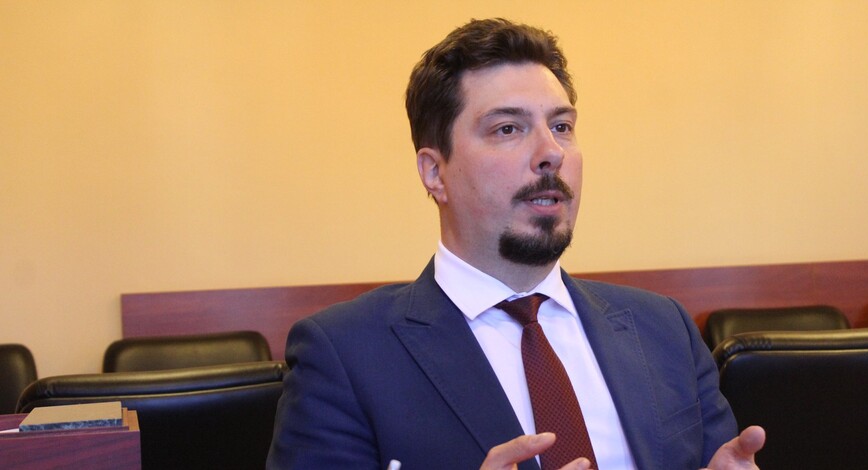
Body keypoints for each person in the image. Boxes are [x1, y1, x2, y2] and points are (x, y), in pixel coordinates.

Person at [267, 18, 764, 470]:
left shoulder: (663, 328)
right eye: (508, 128)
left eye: (562, 127)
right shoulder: (346, 354)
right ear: (435, 172)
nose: (551, 152)